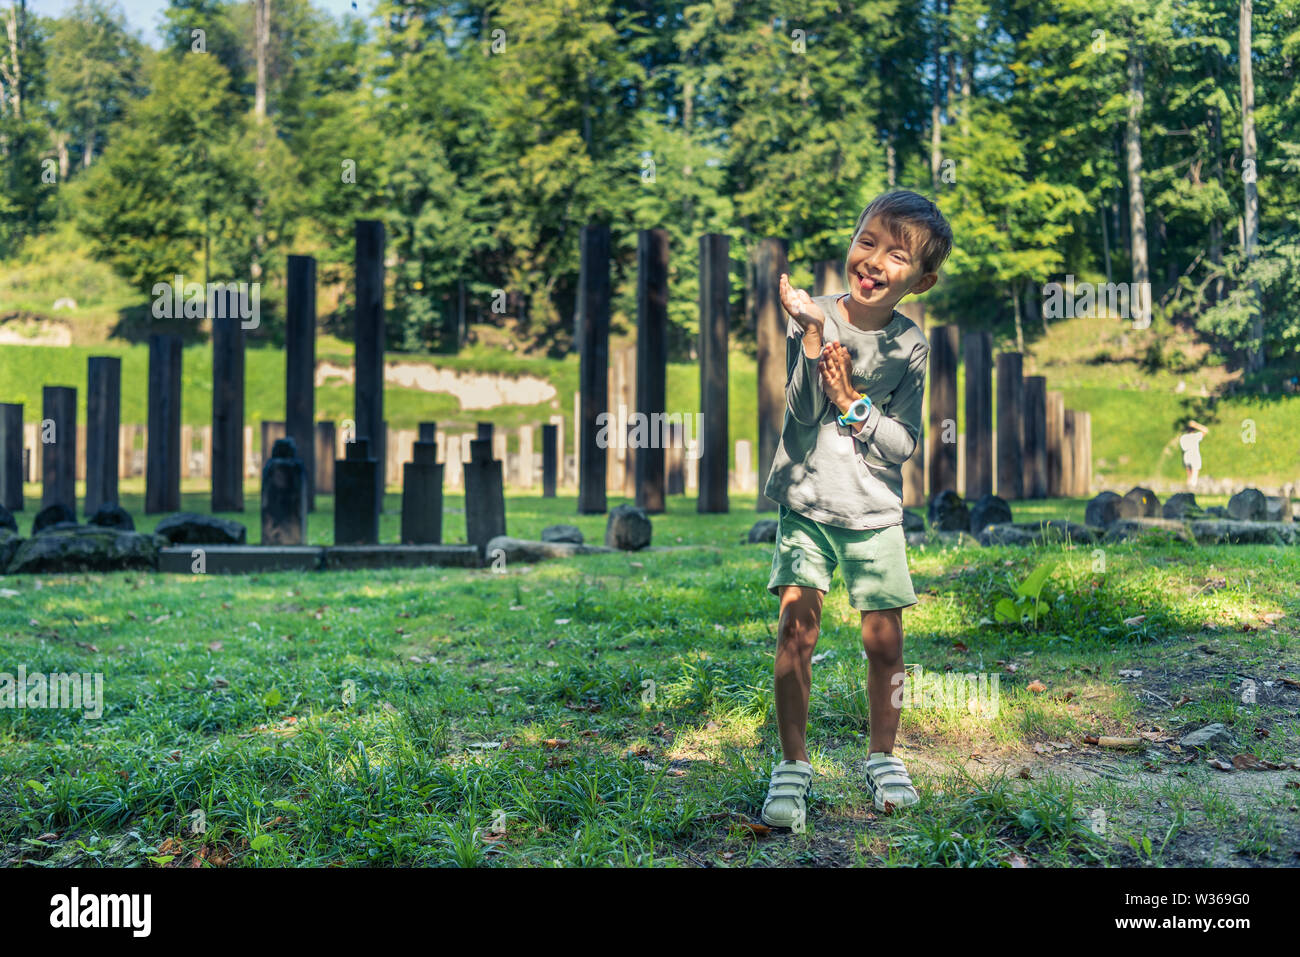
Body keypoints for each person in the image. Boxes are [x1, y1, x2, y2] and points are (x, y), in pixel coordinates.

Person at [759, 190, 952, 828]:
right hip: (807, 501)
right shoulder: (812, 314)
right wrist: (814, 339)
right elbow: (799, 414)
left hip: (874, 514)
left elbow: (902, 445)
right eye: (866, 241)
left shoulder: (910, 345)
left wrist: (852, 401)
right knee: (796, 632)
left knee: (884, 643)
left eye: (896, 255)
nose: (873, 260)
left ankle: (883, 757)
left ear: (921, 280)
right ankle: (792, 764)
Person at [1180, 421, 1208, 489]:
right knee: (1194, 476)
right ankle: (1192, 490)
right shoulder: (1195, 436)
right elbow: (1205, 430)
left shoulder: (1183, 437)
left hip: (1186, 457)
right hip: (1194, 457)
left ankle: (1187, 490)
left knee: (1189, 476)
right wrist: (1196, 425)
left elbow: (1182, 450)